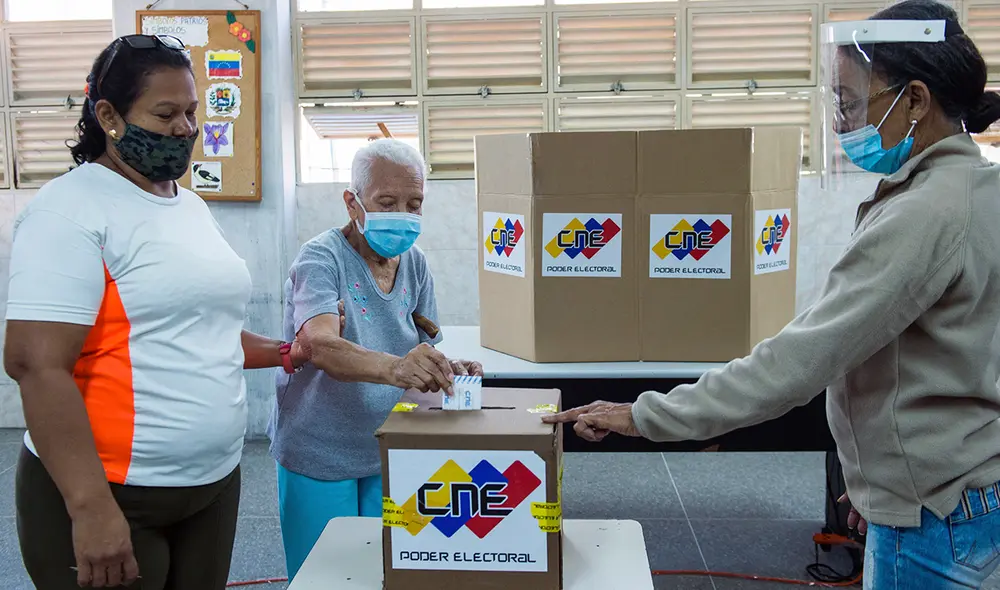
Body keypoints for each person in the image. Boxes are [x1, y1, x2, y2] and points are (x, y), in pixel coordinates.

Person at [544, 1, 1000, 588]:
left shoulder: (924, 214)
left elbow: (797, 363)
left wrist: (644, 415)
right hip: (962, 496)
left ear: (915, 100)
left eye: (853, 103)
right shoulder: (978, 187)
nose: (843, 123)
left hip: (934, 523)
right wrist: (879, 482)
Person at [3, 35, 328, 590]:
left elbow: (200, 327)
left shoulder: (187, 204)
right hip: (113, 496)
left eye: (192, 111)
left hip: (212, 487)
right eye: (165, 113)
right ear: (108, 115)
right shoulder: (70, 211)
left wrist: (282, 351)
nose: (186, 128)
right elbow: (37, 365)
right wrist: (90, 509)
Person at [268, 138, 483, 580]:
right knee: (324, 576)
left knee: (385, 572)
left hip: (388, 444)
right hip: (320, 448)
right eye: (387, 202)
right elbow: (323, 346)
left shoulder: (415, 262)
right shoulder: (321, 259)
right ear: (353, 202)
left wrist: (446, 369)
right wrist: (397, 368)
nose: (402, 214)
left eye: (414, 203)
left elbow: (420, 345)